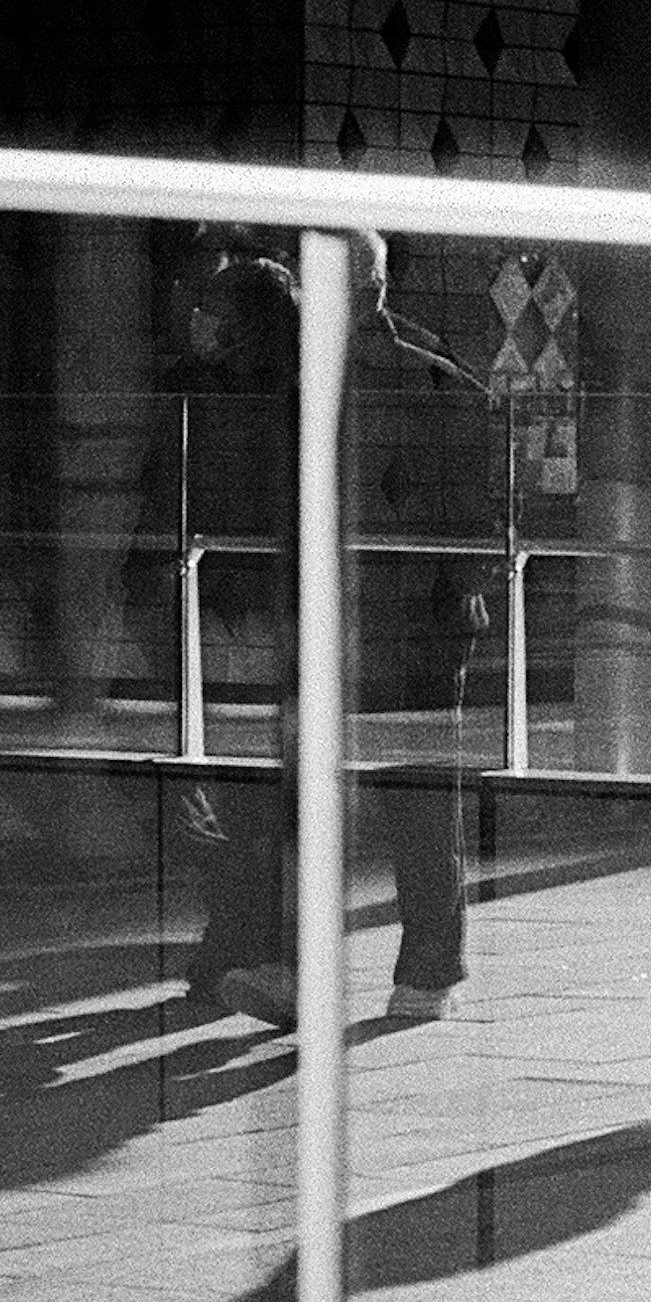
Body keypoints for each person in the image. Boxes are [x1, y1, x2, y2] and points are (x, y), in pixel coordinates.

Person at [178, 234, 495, 1027]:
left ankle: (308, 969)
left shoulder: (343, 374)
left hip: (375, 617)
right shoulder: (429, 368)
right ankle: (425, 975)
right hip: (405, 620)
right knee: (415, 804)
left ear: (356, 285)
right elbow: (472, 506)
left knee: (344, 799)